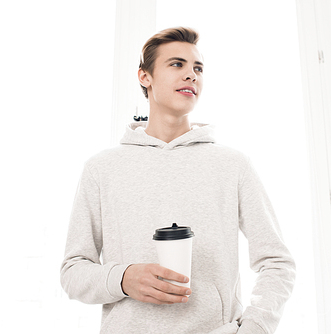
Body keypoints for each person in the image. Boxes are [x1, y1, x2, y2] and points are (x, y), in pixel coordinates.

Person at [60, 27, 295, 334]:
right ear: (145, 77)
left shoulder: (232, 165)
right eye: (177, 64)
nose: (191, 75)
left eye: (198, 68)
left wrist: (255, 328)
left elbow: (277, 263)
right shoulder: (101, 169)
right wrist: (123, 278)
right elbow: (73, 271)